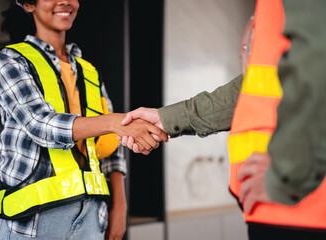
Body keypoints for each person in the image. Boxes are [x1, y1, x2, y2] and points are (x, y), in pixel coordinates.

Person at [119, 0, 326, 239]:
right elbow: (253, 87)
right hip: (287, 206)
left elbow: (318, 60)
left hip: (301, 207)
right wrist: (166, 118)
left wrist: (288, 175)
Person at [0, 0, 167, 239]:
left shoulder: (88, 71)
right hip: (33, 221)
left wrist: (120, 205)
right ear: (29, 5)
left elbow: (112, 144)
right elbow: (41, 124)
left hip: (92, 216)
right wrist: (113, 121)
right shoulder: (11, 60)